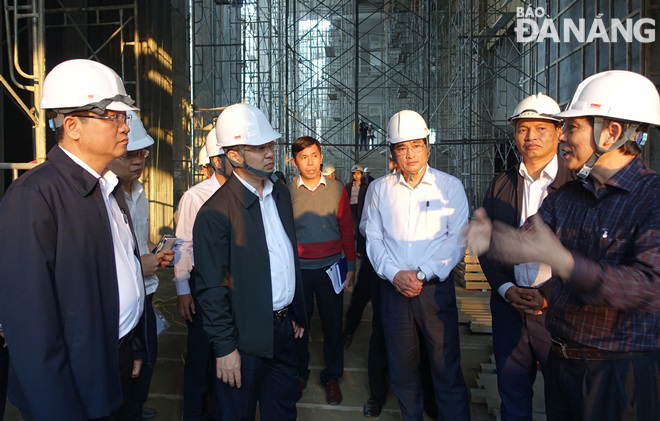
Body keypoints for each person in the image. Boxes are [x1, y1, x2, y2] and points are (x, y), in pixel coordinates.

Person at [466, 70, 660, 420]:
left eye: (571, 128)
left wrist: (565, 263)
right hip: (563, 364)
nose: (563, 138)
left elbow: (649, 287)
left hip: (618, 374)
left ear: (611, 133)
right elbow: (525, 239)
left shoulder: (652, 198)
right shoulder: (569, 196)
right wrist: (491, 238)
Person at [0, 59, 150, 420]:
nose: (124, 126)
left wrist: (135, 345)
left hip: (116, 358)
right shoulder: (34, 196)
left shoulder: (106, 187)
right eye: (112, 116)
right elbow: (31, 329)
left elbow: (124, 272)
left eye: (124, 116)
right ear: (72, 126)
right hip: (74, 383)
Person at [193, 103, 306, 421]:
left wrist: (294, 312)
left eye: (271, 144)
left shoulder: (280, 194)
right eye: (259, 147)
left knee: (283, 411)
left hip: (284, 332)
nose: (270, 153)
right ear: (234, 155)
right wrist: (225, 348)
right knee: (235, 414)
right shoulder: (215, 212)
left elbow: (286, 259)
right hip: (242, 339)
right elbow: (212, 289)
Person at [363, 110, 470, 420]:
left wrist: (421, 273)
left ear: (427, 146)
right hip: (394, 292)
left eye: (416, 145)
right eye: (401, 147)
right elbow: (373, 238)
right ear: (392, 151)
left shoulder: (449, 187)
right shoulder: (379, 190)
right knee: (403, 371)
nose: (409, 154)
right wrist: (394, 274)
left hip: (434, 293)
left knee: (444, 367)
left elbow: (457, 240)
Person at [479, 93, 573, 421]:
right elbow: (488, 244)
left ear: (559, 132)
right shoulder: (501, 184)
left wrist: (546, 296)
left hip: (558, 315)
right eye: (523, 129)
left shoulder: (575, 185)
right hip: (509, 310)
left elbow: (584, 253)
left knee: (564, 398)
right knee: (513, 395)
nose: (530, 136)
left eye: (540, 128)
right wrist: (505, 288)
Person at [105, 111, 174, 420]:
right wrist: (139, 265)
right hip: (118, 304)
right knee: (127, 367)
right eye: (129, 154)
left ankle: (135, 406)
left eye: (142, 153)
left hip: (145, 296)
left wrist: (155, 254)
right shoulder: (103, 197)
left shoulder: (140, 192)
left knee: (146, 361)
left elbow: (139, 241)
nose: (137, 161)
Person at [288, 136, 356, 405]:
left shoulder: (338, 189)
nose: (311, 162)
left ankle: (331, 377)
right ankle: (299, 373)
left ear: (321, 156)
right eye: (303, 157)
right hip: (300, 272)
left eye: (314, 155)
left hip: (331, 269)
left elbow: (346, 230)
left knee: (332, 325)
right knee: (298, 327)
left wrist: (350, 265)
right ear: (295, 163)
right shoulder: (286, 192)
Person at [174, 127, 231, 420]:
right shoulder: (195, 197)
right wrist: (183, 290)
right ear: (217, 160)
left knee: (228, 355)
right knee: (199, 357)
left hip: (234, 285)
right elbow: (183, 244)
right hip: (203, 285)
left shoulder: (246, 193)